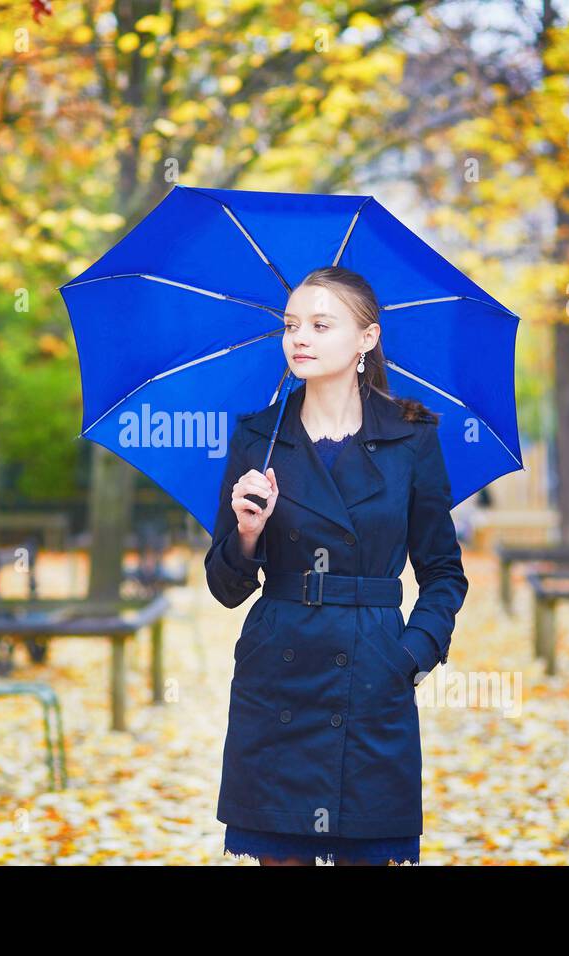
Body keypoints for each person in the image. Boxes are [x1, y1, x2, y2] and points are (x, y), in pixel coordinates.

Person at [205, 266, 468, 865]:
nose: (300, 337)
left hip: (373, 675)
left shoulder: (412, 435)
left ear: (366, 340)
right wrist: (248, 533)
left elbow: (443, 572)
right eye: (292, 324)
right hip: (278, 679)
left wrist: (409, 656)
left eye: (321, 325)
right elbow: (224, 585)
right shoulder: (257, 437)